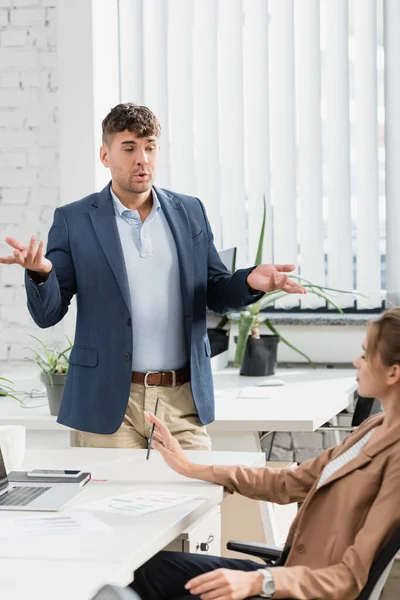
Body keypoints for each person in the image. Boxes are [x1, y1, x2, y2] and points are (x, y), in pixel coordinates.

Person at [0, 103, 306, 451]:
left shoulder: (190, 211)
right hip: (107, 400)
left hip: (182, 400)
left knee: (199, 498)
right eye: (129, 148)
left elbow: (215, 292)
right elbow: (47, 314)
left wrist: (252, 280)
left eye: (150, 146)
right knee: (109, 504)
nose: (142, 158)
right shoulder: (75, 220)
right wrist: (40, 275)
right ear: (105, 155)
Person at [132, 308, 400, 600]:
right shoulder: (374, 427)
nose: (355, 362)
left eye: (364, 355)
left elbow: (349, 578)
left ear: (393, 372)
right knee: (145, 571)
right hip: (285, 572)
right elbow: (289, 482)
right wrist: (192, 467)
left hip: (300, 588)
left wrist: (261, 581)